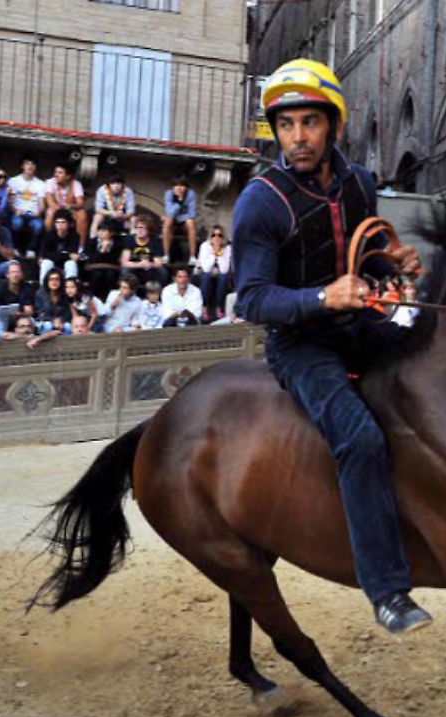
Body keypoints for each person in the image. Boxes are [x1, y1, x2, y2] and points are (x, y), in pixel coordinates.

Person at [233, 58, 430, 634]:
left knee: (431, 370)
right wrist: (322, 299)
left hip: (358, 325)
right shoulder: (261, 200)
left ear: (332, 125)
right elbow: (251, 300)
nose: (297, 137)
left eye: (309, 123)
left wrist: (391, 263)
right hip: (301, 346)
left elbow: (361, 257)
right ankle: (388, 591)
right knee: (361, 438)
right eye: (286, 125)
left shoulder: (359, 182)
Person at [7, 156, 47, 254]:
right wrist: (15, 210)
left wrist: (39, 212)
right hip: (18, 212)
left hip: (33, 214)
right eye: (27, 163)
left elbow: (42, 203)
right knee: (17, 224)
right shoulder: (14, 181)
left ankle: (31, 249)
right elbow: (10, 201)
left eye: (32, 164)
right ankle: (15, 247)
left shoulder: (40, 183)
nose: (30, 166)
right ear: (22, 166)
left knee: (38, 226)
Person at [0, 260, 37, 338]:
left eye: (18, 272)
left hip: (21, 317)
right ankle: (2, 338)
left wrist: (20, 314)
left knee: (30, 321)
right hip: (4, 318)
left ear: (21, 274)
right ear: (7, 275)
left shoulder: (27, 288)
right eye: (13, 272)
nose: (15, 275)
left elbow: (29, 310)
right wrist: (6, 314)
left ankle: (27, 338)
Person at [44, 164, 87, 244]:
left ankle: (80, 247)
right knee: (49, 212)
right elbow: (50, 201)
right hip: (56, 209)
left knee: (82, 214)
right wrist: (60, 210)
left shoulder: (76, 184)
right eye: (55, 172)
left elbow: (80, 203)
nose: (56, 175)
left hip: (70, 210)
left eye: (60, 173)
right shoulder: (50, 182)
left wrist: (71, 206)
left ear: (68, 176)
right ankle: (47, 244)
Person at [197, 225, 232, 321]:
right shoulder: (204, 246)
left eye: (219, 235)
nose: (216, 238)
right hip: (204, 273)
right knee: (207, 276)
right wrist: (214, 254)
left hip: (220, 273)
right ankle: (204, 308)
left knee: (223, 277)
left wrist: (219, 253)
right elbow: (206, 268)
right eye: (214, 235)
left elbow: (224, 269)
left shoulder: (228, 248)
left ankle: (219, 307)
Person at [83, 220, 124, 301]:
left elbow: (115, 259)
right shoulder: (92, 242)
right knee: (97, 275)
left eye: (104, 231)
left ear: (111, 233)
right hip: (95, 269)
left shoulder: (117, 244)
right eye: (100, 230)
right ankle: (94, 298)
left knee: (110, 275)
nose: (101, 233)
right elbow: (92, 259)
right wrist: (102, 250)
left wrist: (107, 250)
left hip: (111, 269)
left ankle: (107, 299)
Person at [162, 175, 198, 265]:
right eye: (177, 185)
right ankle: (166, 255)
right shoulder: (168, 194)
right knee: (167, 222)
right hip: (172, 219)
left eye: (182, 185)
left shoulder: (191, 194)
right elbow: (169, 213)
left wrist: (181, 214)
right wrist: (179, 202)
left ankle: (193, 256)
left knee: (191, 223)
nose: (179, 188)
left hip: (185, 219)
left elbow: (191, 213)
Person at [120, 218, 167, 286]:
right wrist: (139, 264)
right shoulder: (129, 239)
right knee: (125, 270)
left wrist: (150, 264)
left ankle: (159, 293)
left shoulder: (154, 241)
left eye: (142, 228)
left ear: (148, 230)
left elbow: (159, 263)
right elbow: (124, 262)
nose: (139, 230)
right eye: (137, 228)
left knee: (163, 271)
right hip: (134, 267)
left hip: (149, 267)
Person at [39, 212, 82, 283]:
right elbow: (45, 254)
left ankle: (70, 288)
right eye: (57, 222)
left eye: (63, 222)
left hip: (65, 263)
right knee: (46, 263)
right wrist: (67, 255)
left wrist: (56, 255)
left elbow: (74, 255)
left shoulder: (75, 236)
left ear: (69, 223)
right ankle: (43, 289)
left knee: (71, 264)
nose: (60, 225)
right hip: (52, 262)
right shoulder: (49, 235)